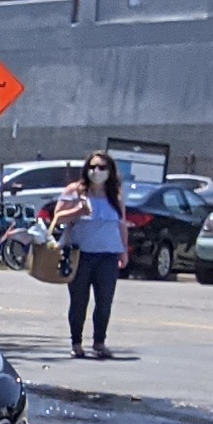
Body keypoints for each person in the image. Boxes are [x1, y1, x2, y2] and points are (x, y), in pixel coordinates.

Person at [51, 154, 130, 359]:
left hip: (107, 255)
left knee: (104, 301)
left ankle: (99, 342)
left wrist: (124, 251)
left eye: (102, 167)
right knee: (79, 301)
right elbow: (58, 218)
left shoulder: (115, 195)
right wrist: (78, 210)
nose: (97, 171)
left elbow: (121, 224)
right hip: (80, 254)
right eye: (93, 167)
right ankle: (76, 343)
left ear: (110, 171)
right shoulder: (74, 191)